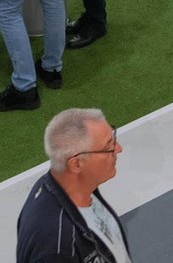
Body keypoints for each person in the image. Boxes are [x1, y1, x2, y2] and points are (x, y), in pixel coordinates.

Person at [16, 108, 130, 263]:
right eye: (108, 146)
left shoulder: (75, 186)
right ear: (76, 164)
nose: (118, 149)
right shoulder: (55, 246)